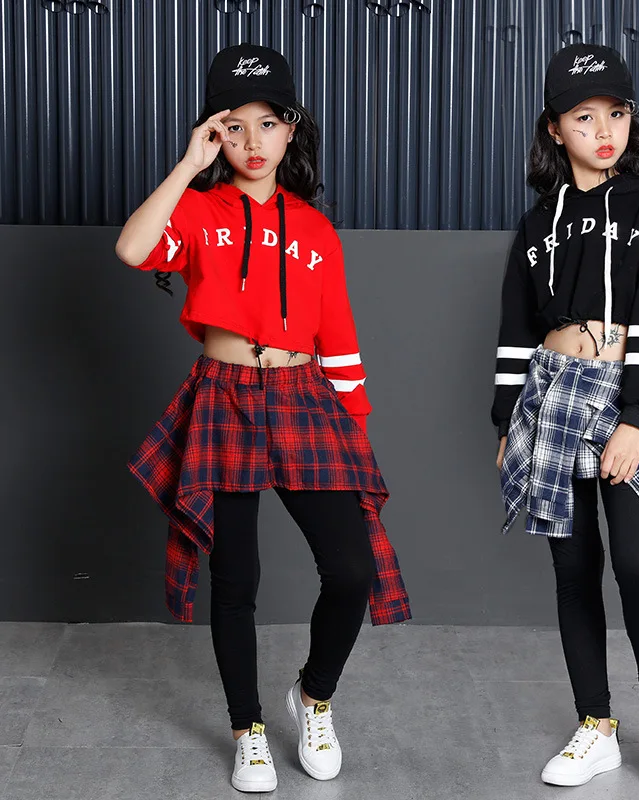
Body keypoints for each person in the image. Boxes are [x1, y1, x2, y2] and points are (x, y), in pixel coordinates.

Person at [115, 43, 410, 794]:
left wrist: (354, 429)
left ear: (291, 129)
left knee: (351, 569)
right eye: (233, 127)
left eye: (268, 124)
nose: (252, 142)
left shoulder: (315, 229)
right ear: (214, 133)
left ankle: (313, 699)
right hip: (224, 394)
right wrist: (188, 165)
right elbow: (132, 248)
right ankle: (247, 728)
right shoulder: (197, 211)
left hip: (305, 395)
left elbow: (339, 336)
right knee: (236, 576)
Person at [492, 43, 639, 792]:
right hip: (549, 394)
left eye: (616, 113)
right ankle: (596, 725)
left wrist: (637, 417)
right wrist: (505, 421)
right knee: (573, 569)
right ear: (554, 128)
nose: (603, 130)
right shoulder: (537, 222)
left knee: (638, 562)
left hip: (618, 390)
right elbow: (516, 328)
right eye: (583, 117)